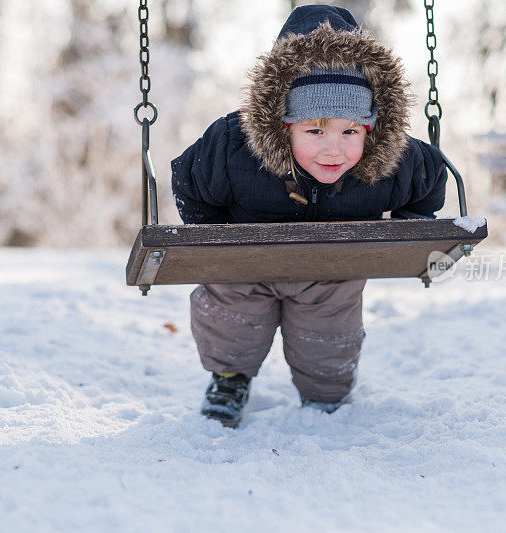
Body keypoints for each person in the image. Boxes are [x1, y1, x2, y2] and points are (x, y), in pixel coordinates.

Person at [171, 5, 448, 427]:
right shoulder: (232, 144)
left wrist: (407, 235)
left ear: (371, 130)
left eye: (350, 131)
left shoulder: (394, 159)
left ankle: (326, 398)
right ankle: (228, 379)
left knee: (330, 344)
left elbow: (428, 182)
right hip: (246, 264)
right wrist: (215, 245)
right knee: (231, 322)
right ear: (283, 126)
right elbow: (190, 182)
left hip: (332, 270)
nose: (333, 149)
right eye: (315, 131)